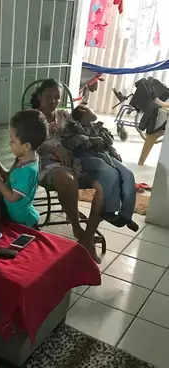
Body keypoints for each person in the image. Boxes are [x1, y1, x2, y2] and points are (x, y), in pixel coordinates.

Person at [31, 78, 123, 263]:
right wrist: (52, 147)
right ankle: (77, 227)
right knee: (67, 179)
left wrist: (83, 109)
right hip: (46, 163)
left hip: (77, 162)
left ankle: (87, 237)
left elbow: (91, 120)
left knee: (104, 186)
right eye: (48, 96)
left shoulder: (66, 115)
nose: (53, 101)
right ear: (39, 97)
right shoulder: (32, 117)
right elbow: (27, 142)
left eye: (57, 97)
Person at [62, 104, 138, 232]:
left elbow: (108, 142)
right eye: (90, 109)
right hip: (84, 157)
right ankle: (109, 211)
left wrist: (112, 150)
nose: (93, 110)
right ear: (82, 111)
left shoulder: (97, 126)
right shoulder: (72, 126)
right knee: (111, 173)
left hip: (102, 154)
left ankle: (125, 216)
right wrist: (90, 139)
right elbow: (68, 143)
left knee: (128, 174)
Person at [0, 109, 47, 228]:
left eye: (12, 141)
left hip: (22, 221)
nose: (9, 144)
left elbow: (12, 197)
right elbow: (10, 177)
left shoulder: (27, 170)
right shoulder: (22, 158)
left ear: (26, 146)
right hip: (14, 215)